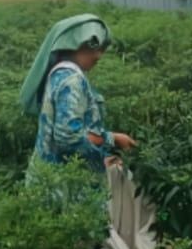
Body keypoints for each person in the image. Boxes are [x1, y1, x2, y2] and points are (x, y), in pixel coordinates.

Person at [19, 14, 136, 180]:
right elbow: (68, 137)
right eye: (97, 48)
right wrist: (107, 149)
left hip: (49, 180)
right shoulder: (71, 79)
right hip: (64, 187)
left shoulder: (62, 72)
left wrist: (109, 142)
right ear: (79, 45)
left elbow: (73, 131)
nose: (99, 56)